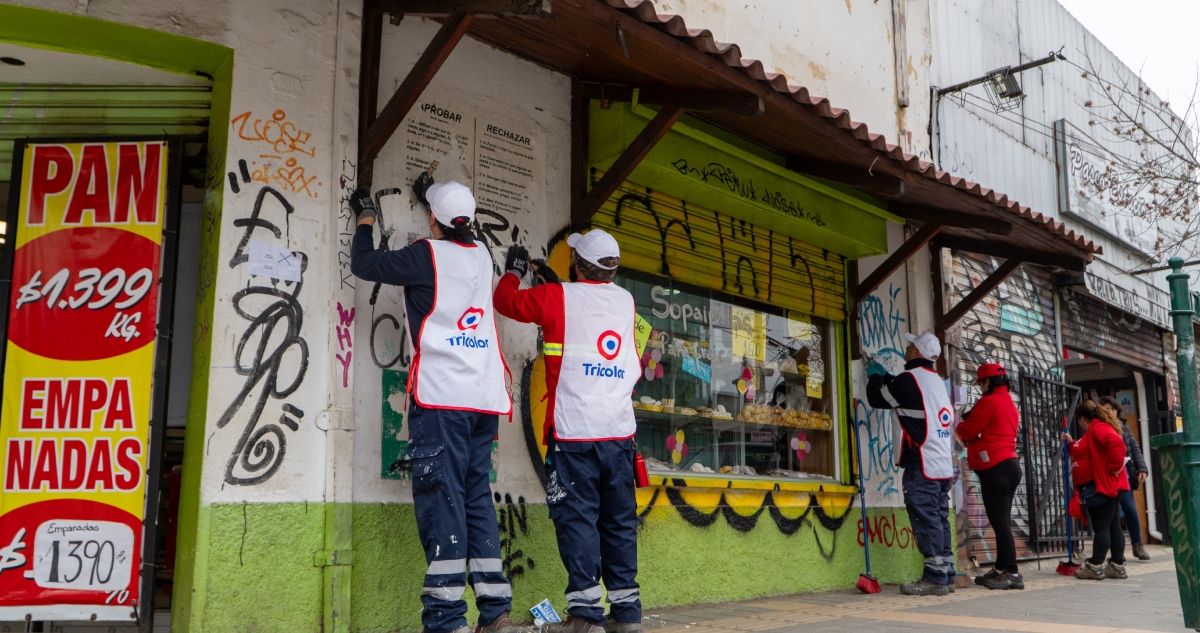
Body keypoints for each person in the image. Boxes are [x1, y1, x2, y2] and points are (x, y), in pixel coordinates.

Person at [350, 179, 517, 633]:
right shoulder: (482, 255)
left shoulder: (426, 254)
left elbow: (363, 263)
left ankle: (446, 620)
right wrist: (434, 194)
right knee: (475, 495)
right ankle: (496, 610)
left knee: (442, 498)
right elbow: (458, 228)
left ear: (431, 221)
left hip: (442, 399)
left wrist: (365, 218)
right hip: (483, 401)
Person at [493, 230, 642, 633]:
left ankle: (585, 618)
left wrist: (514, 272)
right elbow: (589, 314)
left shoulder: (556, 299)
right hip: (619, 435)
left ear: (577, 263)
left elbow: (504, 302)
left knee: (577, 521)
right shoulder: (626, 302)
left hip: (574, 435)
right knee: (619, 522)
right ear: (613, 268)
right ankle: (627, 616)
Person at [866, 331, 956, 596]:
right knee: (939, 519)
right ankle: (946, 574)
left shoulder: (909, 380)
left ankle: (934, 579)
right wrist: (888, 378)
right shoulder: (935, 381)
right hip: (941, 466)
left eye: (910, 345)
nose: (906, 348)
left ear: (917, 352)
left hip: (921, 465)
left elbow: (877, 398)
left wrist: (874, 376)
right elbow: (909, 396)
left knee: (926, 521)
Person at [956, 363, 1023, 590]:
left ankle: (1012, 573)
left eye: (981, 383)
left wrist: (959, 423)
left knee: (1000, 522)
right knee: (1002, 520)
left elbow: (969, 431)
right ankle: (1002, 568)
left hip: (995, 467)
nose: (980, 388)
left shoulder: (988, 402)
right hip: (1011, 465)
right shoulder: (1010, 404)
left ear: (987, 382)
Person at [1063, 399, 1131, 581]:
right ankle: (1117, 566)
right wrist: (1071, 443)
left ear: (1082, 418)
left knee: (1102, 527)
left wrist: (1114, 467)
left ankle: (1094, 566)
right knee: (1113, 525)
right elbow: (1085, 453)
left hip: (1104, 486)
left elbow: (1117, 444)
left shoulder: (1098, 428)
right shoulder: (1092, 431)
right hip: (1111, 486)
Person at [1099, 395, 1151, 561]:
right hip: (1106, 476)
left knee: (1130, 508)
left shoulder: (1123, 427)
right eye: (1107, 409)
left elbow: (1134, 449)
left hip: (1124, 475)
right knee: (1111, 514)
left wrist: (1142, 468)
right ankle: (1114, 552)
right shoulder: (1098, 427)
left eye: (1113, 409)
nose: (1110, 412)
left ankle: (1137, 545)